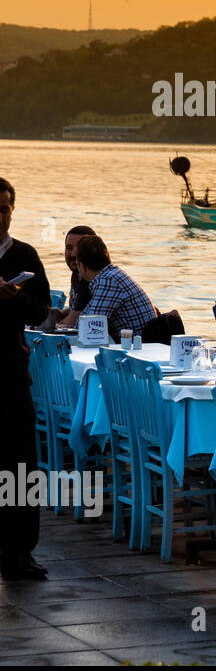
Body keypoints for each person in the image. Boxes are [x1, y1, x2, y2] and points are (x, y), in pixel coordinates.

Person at [0, 177, 51, 580]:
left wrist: (17, 298)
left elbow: (41, 313)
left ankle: (20, 550)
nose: (0, 216)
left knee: (21, 464)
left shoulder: (26, 255)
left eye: (5, 208)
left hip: (12, 370)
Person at [74, 235, 159, 343]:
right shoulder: (112, 274)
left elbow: (88, 327)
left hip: (137, 349)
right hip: (141, 344)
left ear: (82, 266)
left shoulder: (108, 281)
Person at [46, 224, 96, 329]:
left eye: (79, 248)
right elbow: (79, 306)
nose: (73, 254)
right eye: (69, 248)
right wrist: (63, 313)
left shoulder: (89, 279)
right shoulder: (76, 273)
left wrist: (50, 325)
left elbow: (71, 323)